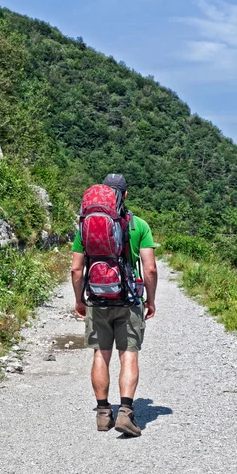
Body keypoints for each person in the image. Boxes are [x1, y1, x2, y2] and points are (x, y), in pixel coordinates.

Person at [71, 174, 157, 437]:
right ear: (125, 195)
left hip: (97, 299)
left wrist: (79, 299)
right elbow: (150, 268)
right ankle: (126, 413)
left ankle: (102, 413)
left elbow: (76, 269)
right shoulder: (139, 225)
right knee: (128, 354)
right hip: (129, 299)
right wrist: (150, 300)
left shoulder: (85, 226)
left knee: (101, 353)